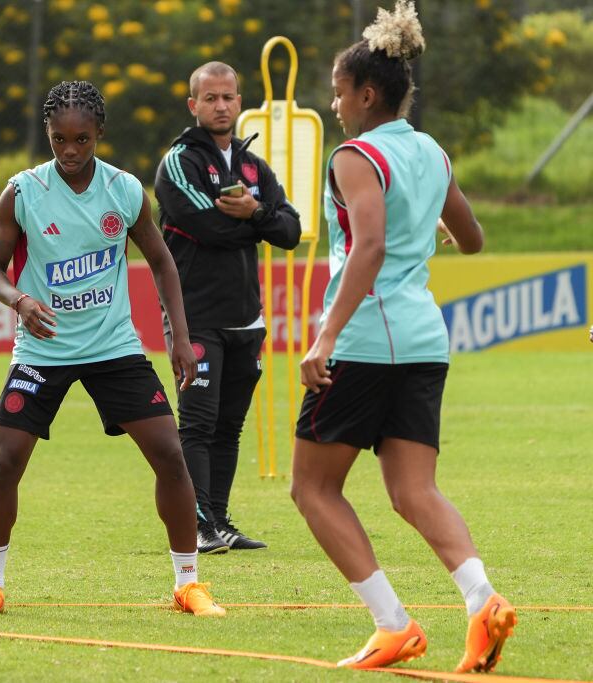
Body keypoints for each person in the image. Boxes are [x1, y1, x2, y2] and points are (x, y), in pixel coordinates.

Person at [289, 1, 516, 672]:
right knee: (414, 491)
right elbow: (472, 238)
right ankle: (482, 601)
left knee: (311, 488)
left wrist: (324, 337)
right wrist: (435, 230)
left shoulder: (355, 156)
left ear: (365, 94)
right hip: (423, 340)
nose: (334, 105)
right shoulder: (431, 151)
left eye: (337, 92)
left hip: (363, 342)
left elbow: (370, 246)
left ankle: (394, 623)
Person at [0, 80, 225, 619]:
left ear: (99, 134)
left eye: (82, 139)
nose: (71, 151)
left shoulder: (125, 191)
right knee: (6, 459)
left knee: (171, 457)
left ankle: (188, 583)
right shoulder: (22, 193)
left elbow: (162, 262)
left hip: (114, 347)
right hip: (43, 349)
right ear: (48, 135)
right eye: (60, 139)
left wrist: (176, 336)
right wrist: (19, 300)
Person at [154, 61, 301, 554]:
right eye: (210, 98)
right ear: (192, 105)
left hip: (247, 318)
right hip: (195, 316)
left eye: (228, 97)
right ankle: (198, 525)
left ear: (240, 102)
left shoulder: (254, 166)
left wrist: (255, 212)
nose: (220, 105)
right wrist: (262, 222)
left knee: (229, 425)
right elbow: (207, 228)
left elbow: (291, 231)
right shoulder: (179, 162)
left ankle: (219, 520)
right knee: (197, 422)